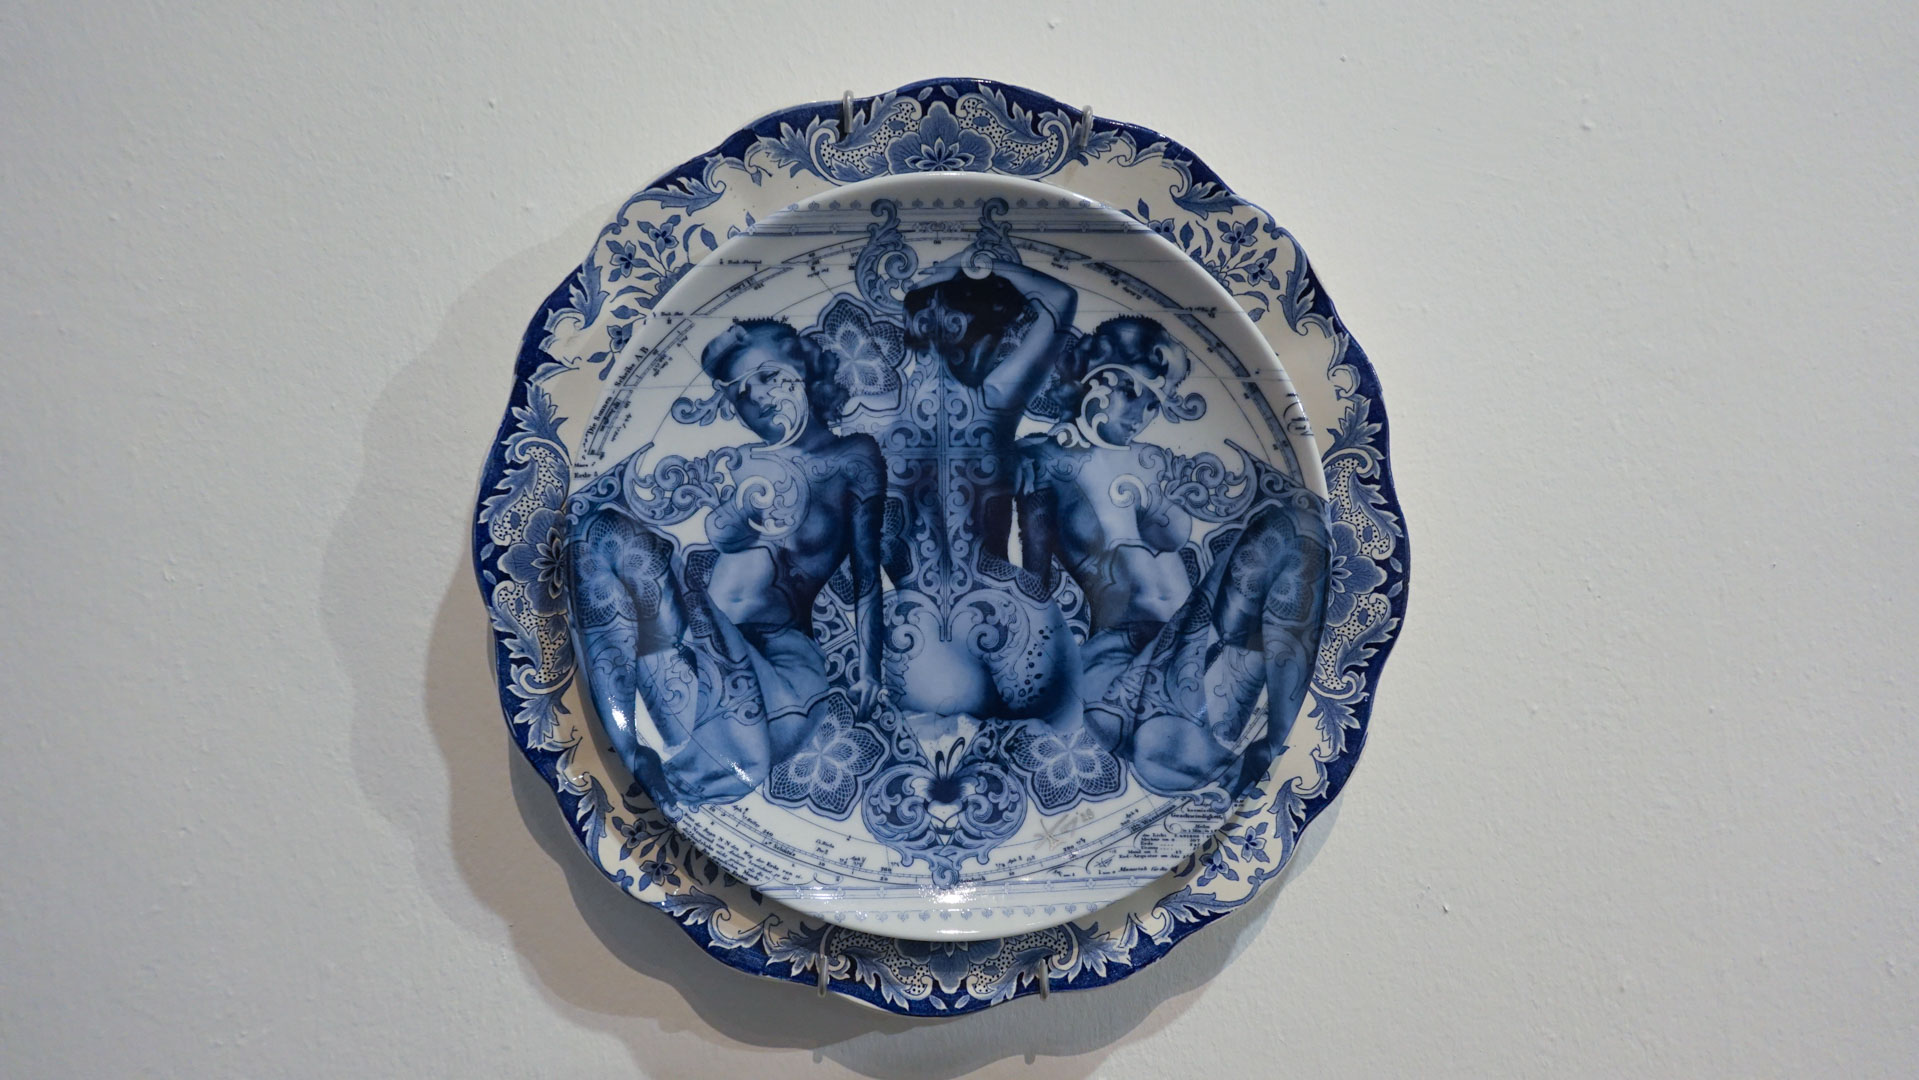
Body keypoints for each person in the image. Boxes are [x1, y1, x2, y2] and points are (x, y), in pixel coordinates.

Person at [566, 320, 885, 810]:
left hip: (780, 678)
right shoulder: (740, 463)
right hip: (697, 653)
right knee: (600, 531)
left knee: (614, 537)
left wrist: (869, 669)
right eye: (739, 392)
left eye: (766, 376)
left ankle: (679, 755)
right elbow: (718, 538)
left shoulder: (854, 457)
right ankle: (627, 746)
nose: (754, 396)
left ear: (803, 366)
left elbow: (867, 571)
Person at [1016, 316, 1331, 794]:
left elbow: (1177, 538)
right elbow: (1033, 576)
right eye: (1134, 393)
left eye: (1154, 405)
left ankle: (1280, 743)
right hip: (1120, 661)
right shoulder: (1041, 457)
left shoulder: (1145, 460)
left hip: (1196, 643)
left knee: (1299, 524)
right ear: (1098, 377)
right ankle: (1192, 744)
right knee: (1166, 749)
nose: (1144, 416)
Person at [850, 257, 1085, 731]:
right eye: (999, 340)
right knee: (1049, 754)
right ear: (979, 338)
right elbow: (1061, 300)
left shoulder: (872, 436)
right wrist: (978, 262)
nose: (1000, 353)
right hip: (1019, 620)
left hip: (921, 641)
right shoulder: (995, 400)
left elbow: (866, 574)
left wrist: (868, 671)